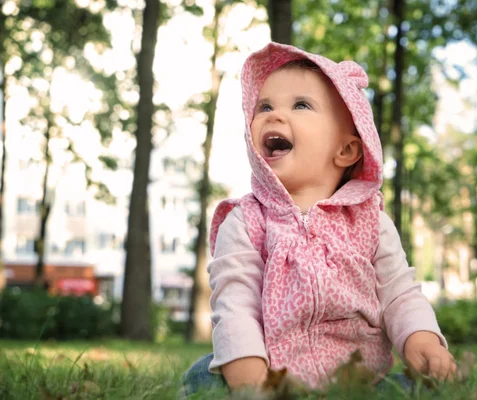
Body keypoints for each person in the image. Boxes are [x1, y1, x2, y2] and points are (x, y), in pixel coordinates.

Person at [179, 42, 456, 398]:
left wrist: (422, 339)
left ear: (346, 150)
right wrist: (250, 375)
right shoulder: (247, 221)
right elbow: (235, 301)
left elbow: (399, 294)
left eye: (300, 105)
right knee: (203, 375)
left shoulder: (370, 222)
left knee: (412, 389)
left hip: (360, 379)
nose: (273, 115)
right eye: (264, 106)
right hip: (273, 375)